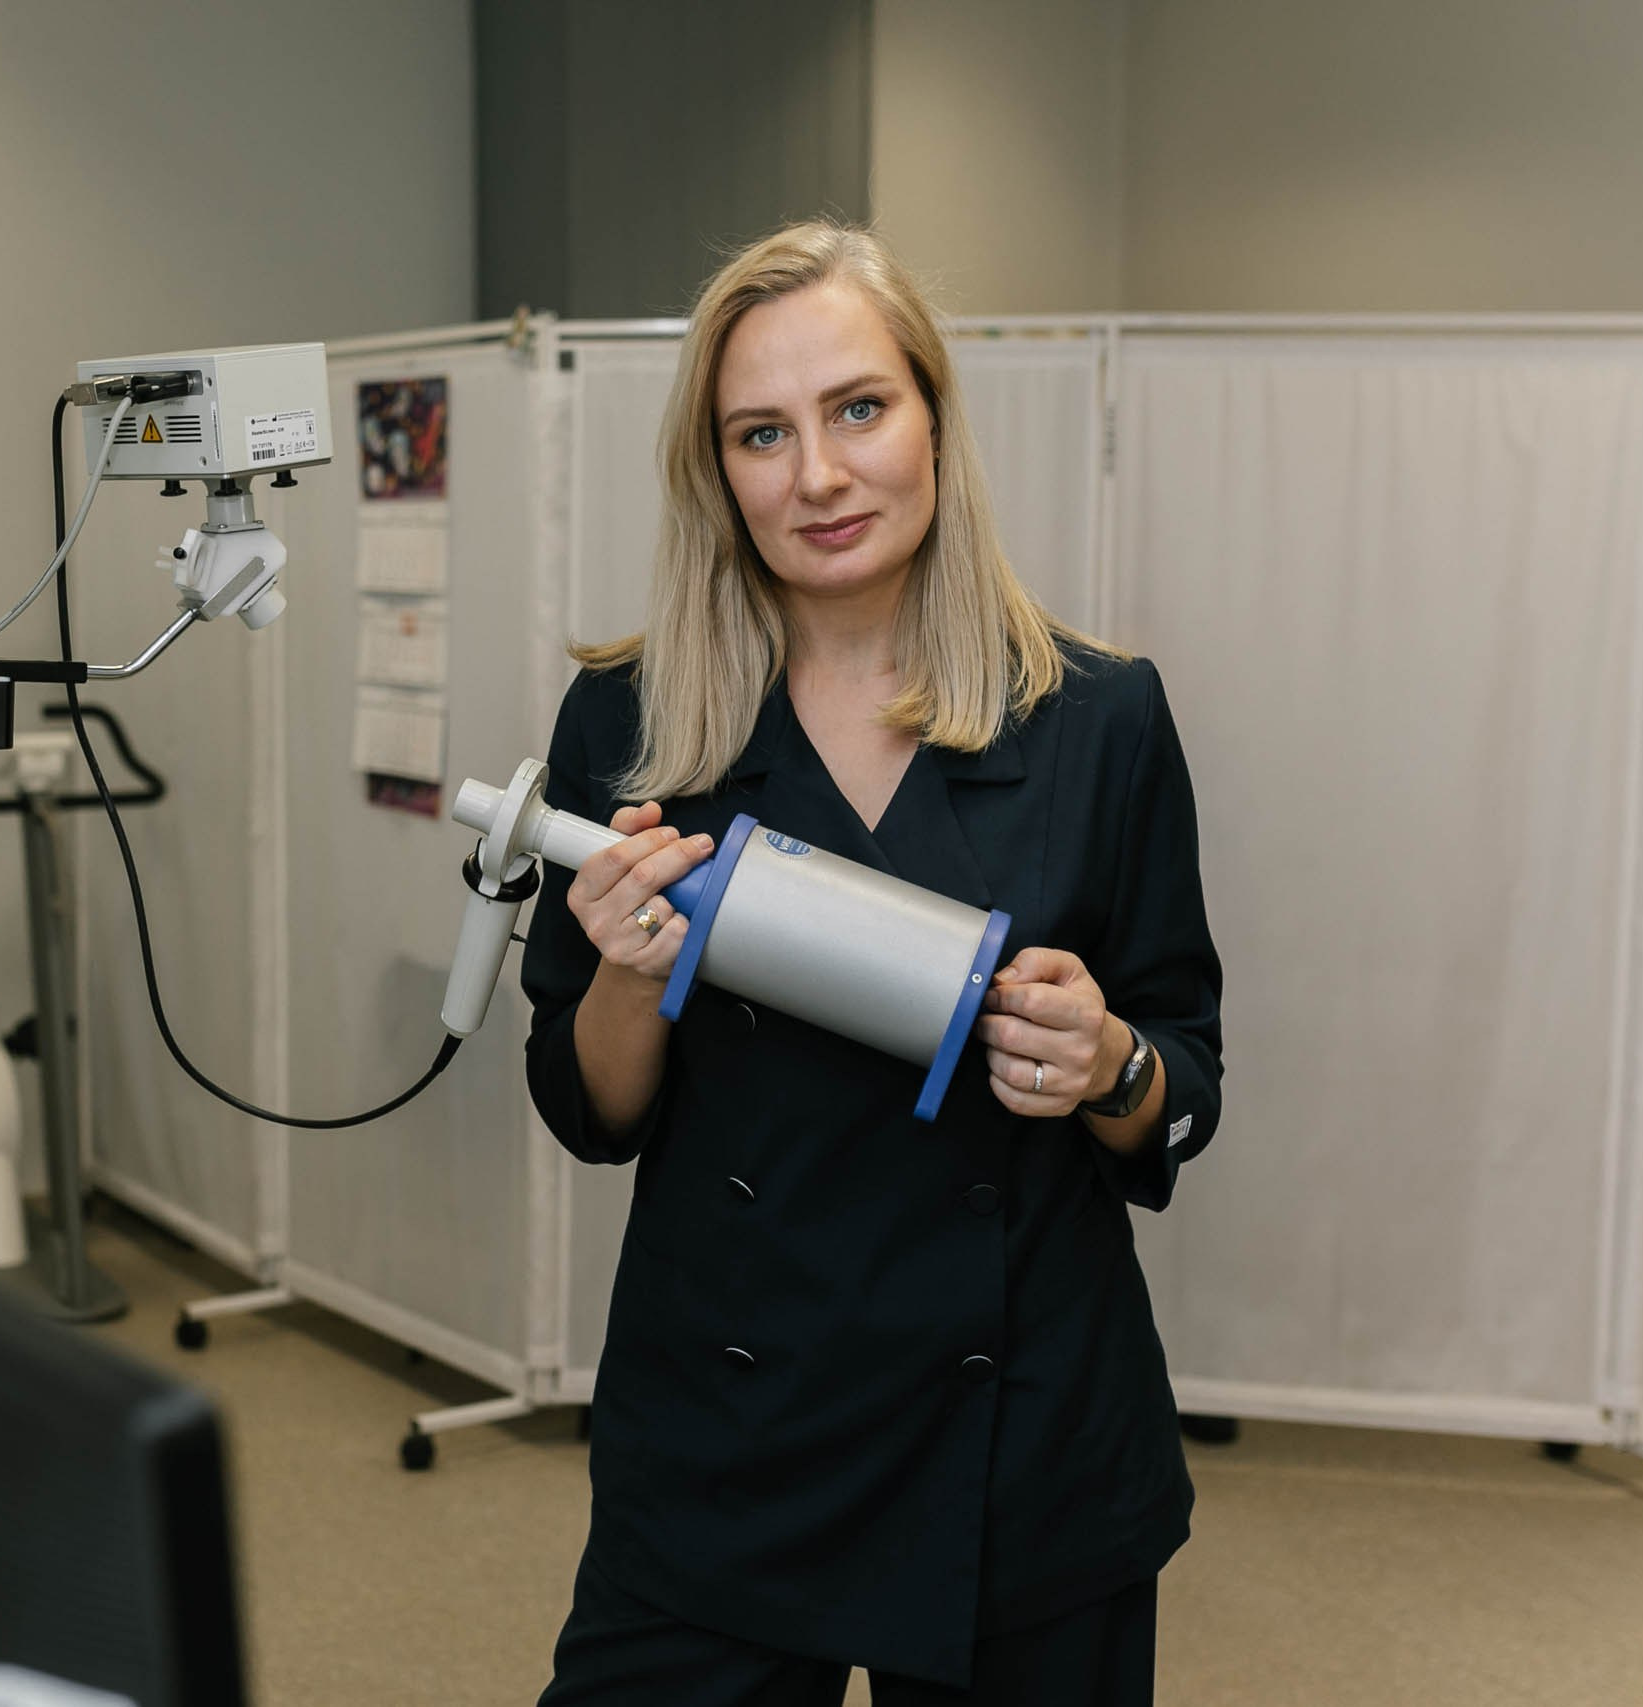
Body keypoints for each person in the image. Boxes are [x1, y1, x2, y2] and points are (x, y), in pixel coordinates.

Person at [524, 221, 1223, 1706]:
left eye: (858, 409)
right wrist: (629, 975)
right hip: (726, 1430)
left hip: (1020, 1437)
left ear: (933, 417)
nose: (819, 476)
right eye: (761, 435)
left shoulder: (1097, 719)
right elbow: (591, 1111)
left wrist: (1108, 1064)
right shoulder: (631, 727)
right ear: (716, 472)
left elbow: (1182, 1078)